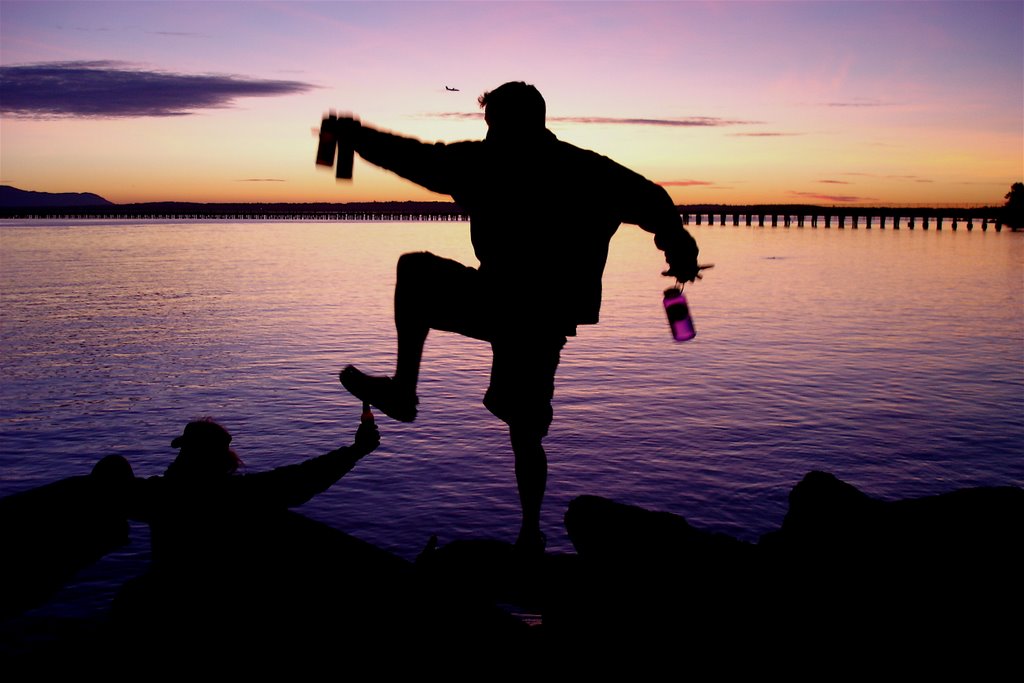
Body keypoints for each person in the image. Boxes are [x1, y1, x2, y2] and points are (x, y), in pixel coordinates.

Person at [330, 81, 707, 552]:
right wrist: (678, 244)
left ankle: (404, 389)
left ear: (500, 122)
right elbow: (653, 199)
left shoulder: (486, 162)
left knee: (415, 272)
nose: (488, 132)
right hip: (544, 319)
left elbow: (416, 159)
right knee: (526, 432)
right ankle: (530, 531)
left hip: (498, 301)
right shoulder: (588, 169)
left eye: (491, 123)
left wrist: (357, 136)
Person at [112, 415, 381, 651]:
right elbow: (301, 479)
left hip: (171, 602)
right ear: (222, 459)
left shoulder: (160, 495)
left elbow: (118, 489)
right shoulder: (239, 495)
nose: (179, 458)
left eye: (184, 452)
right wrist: (357, 450)